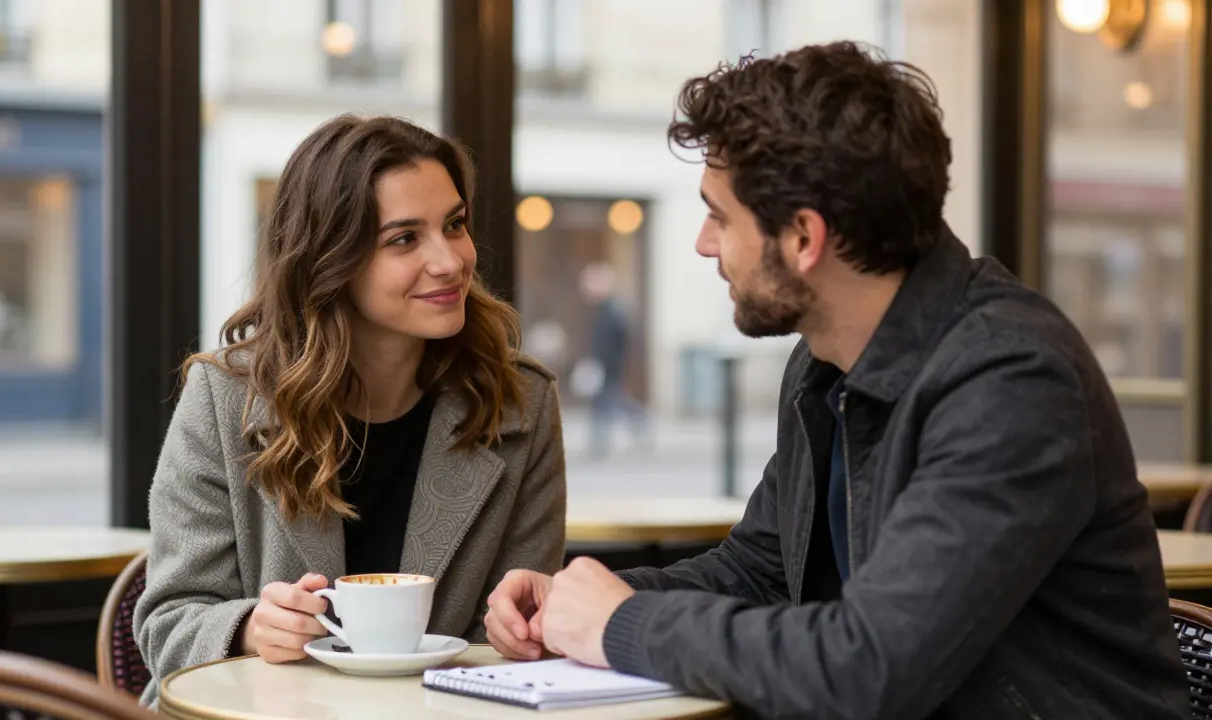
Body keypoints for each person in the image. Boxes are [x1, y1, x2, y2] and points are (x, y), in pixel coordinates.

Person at [484, 43, 1188, 719]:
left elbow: (871, 669)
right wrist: (576, 602)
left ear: (803, 238)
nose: (704, 243)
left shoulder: (1010, 380)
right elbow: (759, 572)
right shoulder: (826, 359)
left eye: (718, 215)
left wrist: (623, 624)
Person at [134, 115, 567, 706]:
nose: (450, 261)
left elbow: (517, 631)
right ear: (329, 260)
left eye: (455, 224)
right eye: (404, 239)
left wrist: (524, 628)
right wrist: (249, 629)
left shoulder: (520, 402)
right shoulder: (225, 397)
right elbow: (167, 621)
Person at [578, 262, 647, 457]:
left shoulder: (611, 310)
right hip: (604, 366)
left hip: (607, 367)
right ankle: (601, 442)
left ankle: (602, 442)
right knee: (606, 404)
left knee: (609, 403)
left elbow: (617, 340)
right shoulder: (602, 309)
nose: (586, 289)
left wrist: (602, 363)